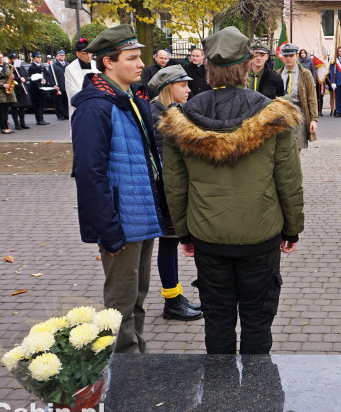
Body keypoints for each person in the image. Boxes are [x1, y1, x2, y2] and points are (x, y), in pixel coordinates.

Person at [158, 26, 304, 354]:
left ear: (208, 68)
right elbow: (289, 180)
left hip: (208, 236)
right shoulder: (273, 115)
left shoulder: (181, 119)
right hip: (261, 235)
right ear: (245, 65)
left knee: (218, 319)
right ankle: (258, 395)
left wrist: (184, 234)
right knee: (257, 318)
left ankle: (219, 398)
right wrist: (292, 229)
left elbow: (175, 186)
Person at [71, 24, 165, 354]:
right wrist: (108, 230)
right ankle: (125, 374)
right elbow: (89, 174)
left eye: (140, 57)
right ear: (109, 62)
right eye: (133, 58)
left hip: (141, 215)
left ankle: (137, 360)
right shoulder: (95, 107)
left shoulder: (130, 100)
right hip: (121, 222)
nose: (141, 64)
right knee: (120, 304)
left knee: (137, 297)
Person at [145, 66, 202, 322]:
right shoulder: (155, 115)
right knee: (168, 244)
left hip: (178, 188)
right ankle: (172, 300)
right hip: (166, 190)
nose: (189, 90)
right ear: (169, 88)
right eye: (183, 85)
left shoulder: (174, 111)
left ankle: (177, 297)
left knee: (174, 243)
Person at [280, 43, 319, 151]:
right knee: (282, 148)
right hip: (282, 115)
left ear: (297, 56)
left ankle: (295, 168)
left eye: (291, 56)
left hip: (298, 113)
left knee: (296, 150)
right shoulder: (278, 74)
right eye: (286, 56)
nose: (288, 58)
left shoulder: (305, 74)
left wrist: (314, 119)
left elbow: (312, 97)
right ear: (282, 57)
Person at [65, 38, 98, 119]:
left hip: (98, 104)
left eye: (90, 52)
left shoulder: (97, 65)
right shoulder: (70, 69)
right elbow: (72, 91)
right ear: (78, 54)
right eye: (85, 53)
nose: (89, 56)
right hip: (80, 106)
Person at [0, 52, 17, 134]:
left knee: (6, 109)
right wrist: (2, 84)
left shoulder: (6, 65)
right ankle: (3, 127)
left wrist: (11, 77)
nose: (1, 59)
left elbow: (9, 74)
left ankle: (7, 126)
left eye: (2, 57)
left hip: (8, 87)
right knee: (1, 110)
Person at [26, 52, 50, 125]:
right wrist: (40, 83)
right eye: (37, 57)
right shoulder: (32, 67)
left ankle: (42, 119)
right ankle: (39, 120)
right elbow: (33, 78)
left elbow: (46, 75)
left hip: (43, 88)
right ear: (33, 58)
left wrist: (45, 80)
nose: (39, 59)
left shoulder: (42, 67)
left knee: (42, 105)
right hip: (36, 89)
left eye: (40, 57)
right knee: (37, 105)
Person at [9, 53, 31, 130]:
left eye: (16, 58)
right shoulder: (9, 67)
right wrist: (18, 79)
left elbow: (27, 76)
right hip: (15, 89)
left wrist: (25, 79)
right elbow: (10, 78)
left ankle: (22, 123)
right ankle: (16, 124)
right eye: (14, 58)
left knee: (22, 107)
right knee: (14, 107)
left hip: (22, 88)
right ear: (11, 60)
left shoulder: (21, 67)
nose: (16, 60)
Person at [47, 50, 69, 120]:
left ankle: (66, 114)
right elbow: (50, 76)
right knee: (58, 102)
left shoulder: (67, 64)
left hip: (66, 86)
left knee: (66, 102)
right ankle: (60, 115)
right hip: (58, 86)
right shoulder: (53, 65)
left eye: (63, 55)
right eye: (60, 55)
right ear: (57, 56)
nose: (62, 57)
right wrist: (53, 84)